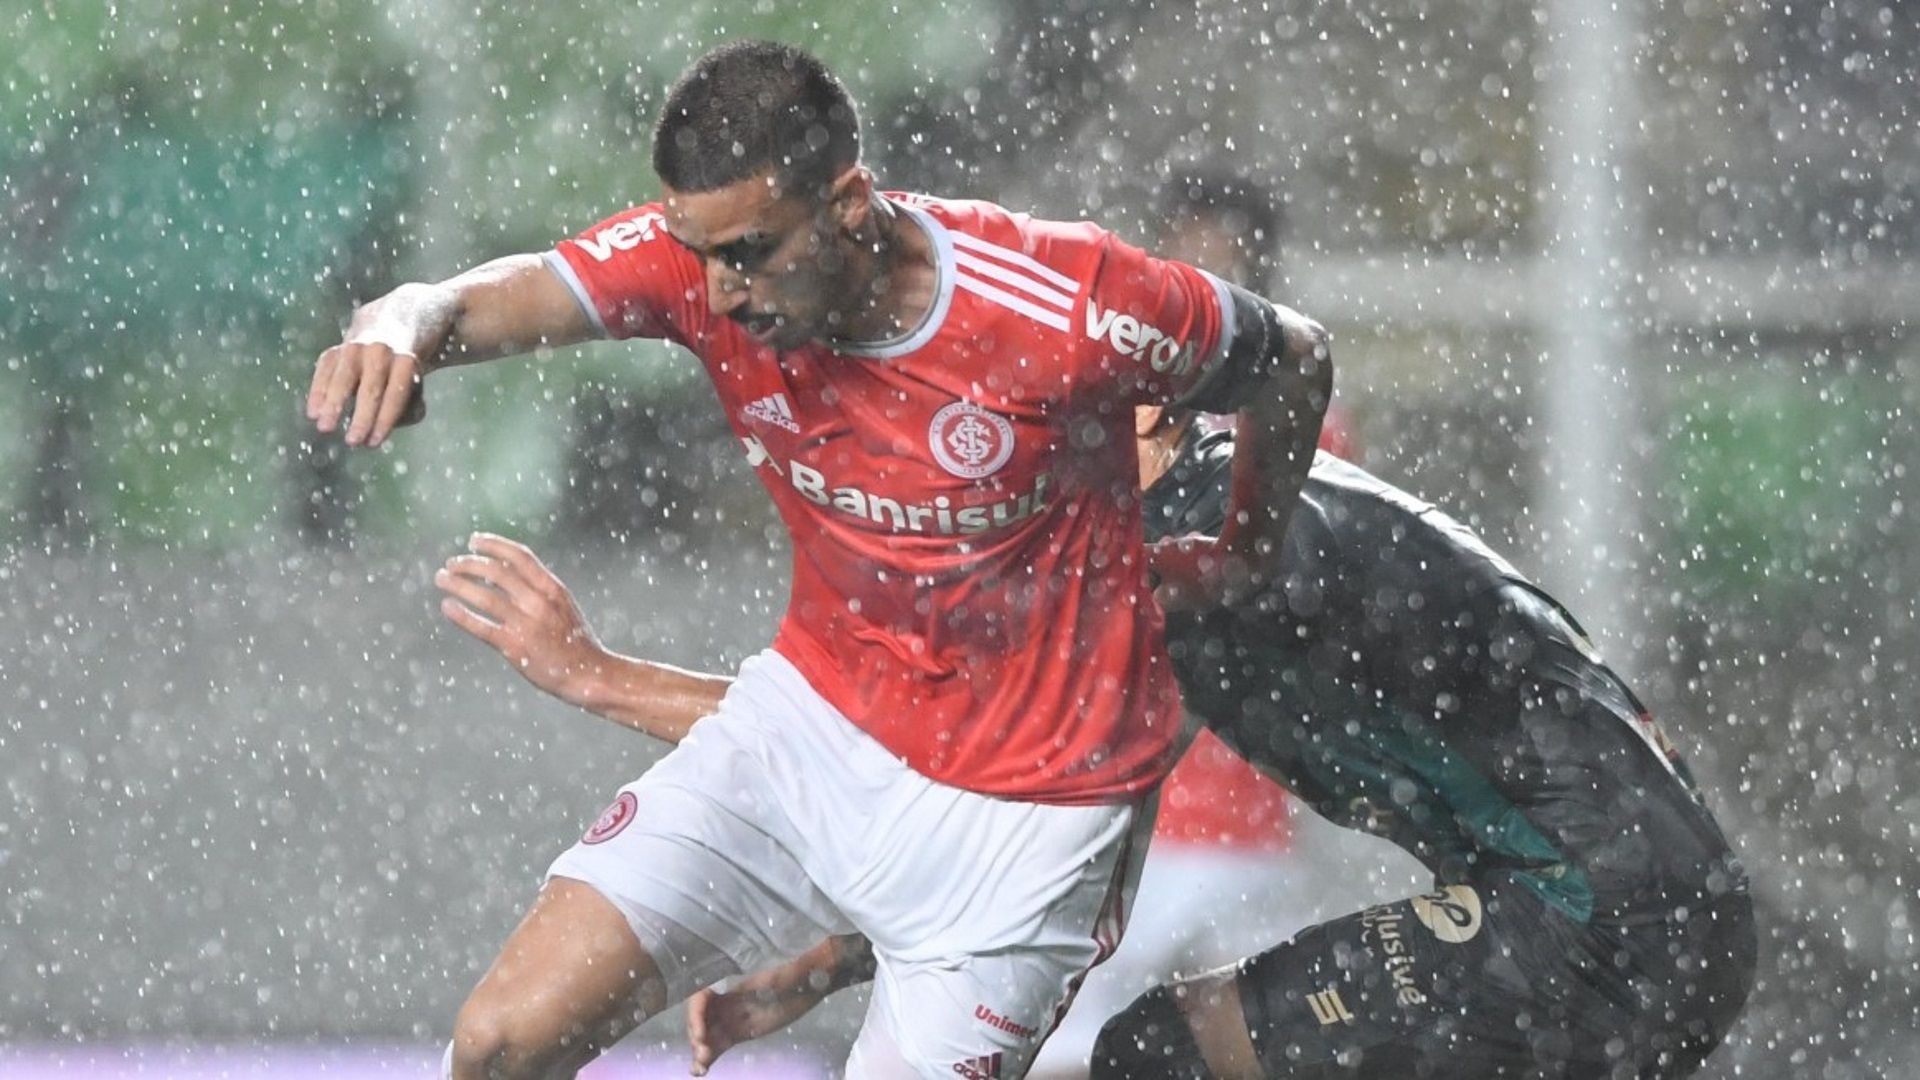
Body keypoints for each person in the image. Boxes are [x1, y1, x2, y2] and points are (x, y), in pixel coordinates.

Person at [306, 41, 1332, 1080]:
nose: (720, 290)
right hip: (807, 738)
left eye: (749, 252)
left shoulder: (1062, 302)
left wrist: (1245, 549)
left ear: (849, 203)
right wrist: (400, 323)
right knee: (497, 1044)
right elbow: (473, 298)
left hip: (1031, 833)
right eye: (697, 252)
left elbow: (1294, 356)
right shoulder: (701, 269)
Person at [458, 409, 1756, 1078]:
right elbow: (1058, 826)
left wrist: (597, 676)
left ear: (1141, 424)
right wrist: (826, 970)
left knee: (1161, 1060)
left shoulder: (1182, 549)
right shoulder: (1205, 544)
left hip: (1601, 920)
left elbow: (889, 743)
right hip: (1642, 918)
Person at [1027, 168, 1348, 1079]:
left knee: (1261, 1035)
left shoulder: (1295, 429)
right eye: (1189, 256)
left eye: (1223, 259)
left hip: (1235, 813)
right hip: (1131, 807)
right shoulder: (1117, 412)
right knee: (1061, 1029)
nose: (1203, 276)